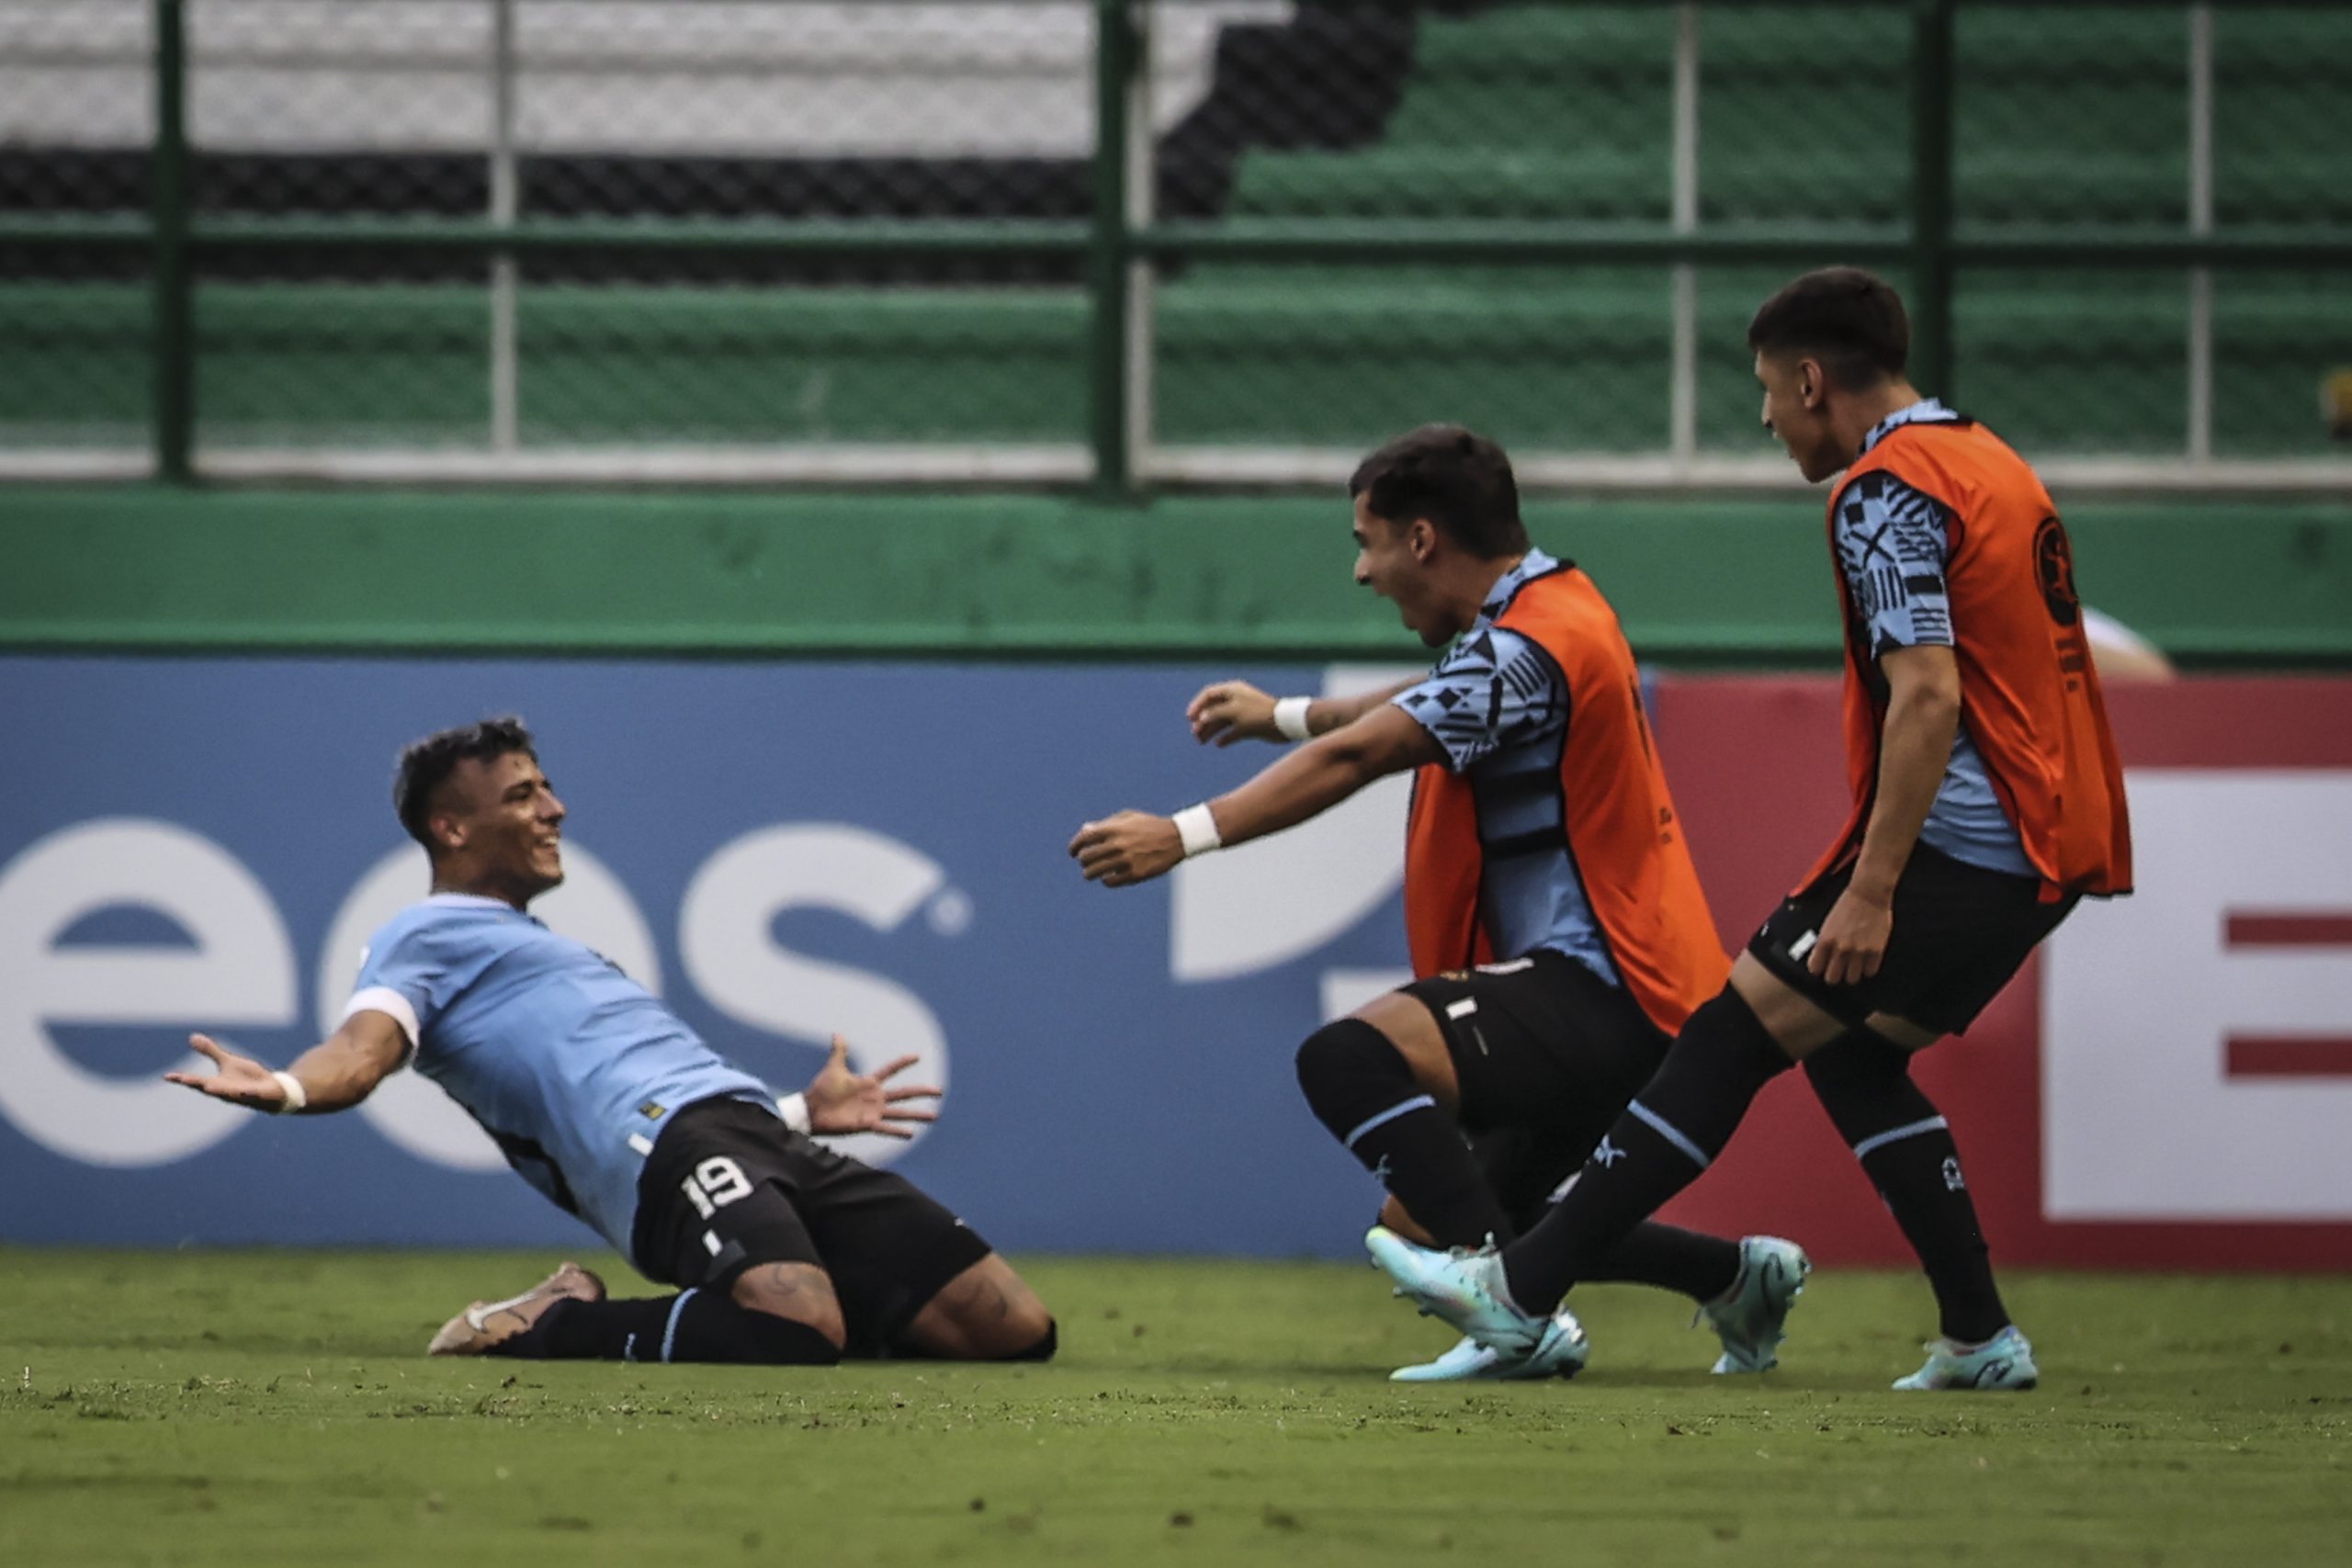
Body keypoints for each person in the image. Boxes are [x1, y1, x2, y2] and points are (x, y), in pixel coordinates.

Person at [1371, 267, 2132, 1393]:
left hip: (1968, 840)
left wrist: (1871, 888)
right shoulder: (1985, 456)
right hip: (2053, 840)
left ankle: (1519, 1292)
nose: (1767, 419)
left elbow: (1927, 695)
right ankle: (1979, 1337)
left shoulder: (1883, 491)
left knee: (1730, 1036)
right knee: (1856, 1060)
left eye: (1770, 393)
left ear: (1813, 380)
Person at [1069, 424, 1809, 1382]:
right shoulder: (1549, 613)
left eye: (1364, 542)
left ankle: (1512, 1314)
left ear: (1421, 540)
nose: (1360, 573)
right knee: (1431, 1205)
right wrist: (1282, 715)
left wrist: (1184, 833)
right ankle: (1732, 1279)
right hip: (1641, 997)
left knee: (1348, 1060)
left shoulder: (1528, 643)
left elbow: (1362, 752)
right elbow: (1427, 697)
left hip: (1604, 985)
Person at [168, 716, 1056, 1368]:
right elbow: (360, 1052)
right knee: (795, 1329)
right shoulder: (422, 934)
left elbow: (622, 1071)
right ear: (452, 828)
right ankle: (550, 1324)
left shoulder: (549, 949)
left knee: (1013, 1329)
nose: (555, 807)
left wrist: (798, 1109)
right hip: (663, 1154)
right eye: (523, 795)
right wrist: (286, 1086)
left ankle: (790, 1309)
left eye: (546, 786)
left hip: (756, 1134)